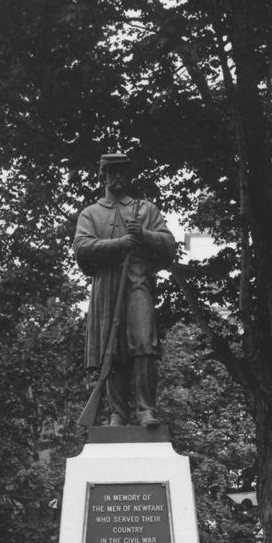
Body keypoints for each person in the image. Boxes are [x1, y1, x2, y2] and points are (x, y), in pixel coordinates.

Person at [73, 152, 177, 428]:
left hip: (138, 281)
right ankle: (117, 414)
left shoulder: (146, 210)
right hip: (106, 286)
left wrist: (144, 236)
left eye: (122, 172)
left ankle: (146, 410)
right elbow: (82, 249)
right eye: (111, 172)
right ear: (102, 176)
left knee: (144, 343)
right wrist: (120, 244)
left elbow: (169, 245)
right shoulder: (90, 214)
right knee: (112, 349)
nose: (117, 177)